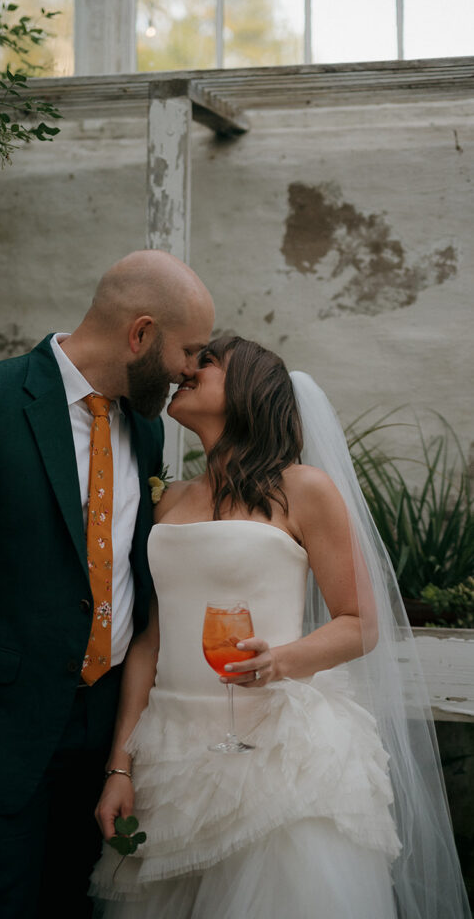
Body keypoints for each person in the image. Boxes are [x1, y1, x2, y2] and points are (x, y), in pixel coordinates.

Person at [91, 336, 471, 919]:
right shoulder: (170, 502)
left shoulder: (304, 488)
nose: (184, 370)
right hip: (170, 747)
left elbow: (363, 621)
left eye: (205, 362)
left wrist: (282, 661)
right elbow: (151, 642)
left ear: (246, 389)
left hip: (273, 749)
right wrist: (122, 765)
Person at [0, 249, 215, 918]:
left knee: (78, 903)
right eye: (189, 350)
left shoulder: (145, 428)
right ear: (141, 334)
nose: (190, 370)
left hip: (107, 732)